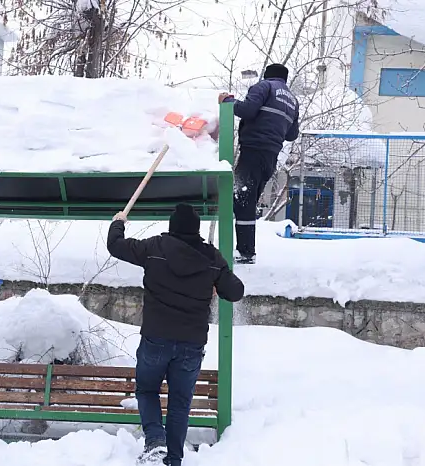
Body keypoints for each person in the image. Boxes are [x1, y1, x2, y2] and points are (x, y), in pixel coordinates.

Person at [106, 204, 245, 466]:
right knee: (180, 403)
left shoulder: (155, 248)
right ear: (197, 230)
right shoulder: (212, 259)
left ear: (172, 227)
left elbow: (116, 246)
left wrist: (119, 222)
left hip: (155, 339)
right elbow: (236, 291)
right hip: (191, 345)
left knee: (147, 391)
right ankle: (172, 460)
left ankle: (155, 442)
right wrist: (217, 280)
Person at [218, 63, 300, 264]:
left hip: (253, 149)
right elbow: (292, 134)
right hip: (271, 156)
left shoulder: (264, 87)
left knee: (242, 199)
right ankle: (246, 251)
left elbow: (247, 110)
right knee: (248, 200)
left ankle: (246, 253)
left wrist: (228, 101)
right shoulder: (292, 100)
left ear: (267, 75)